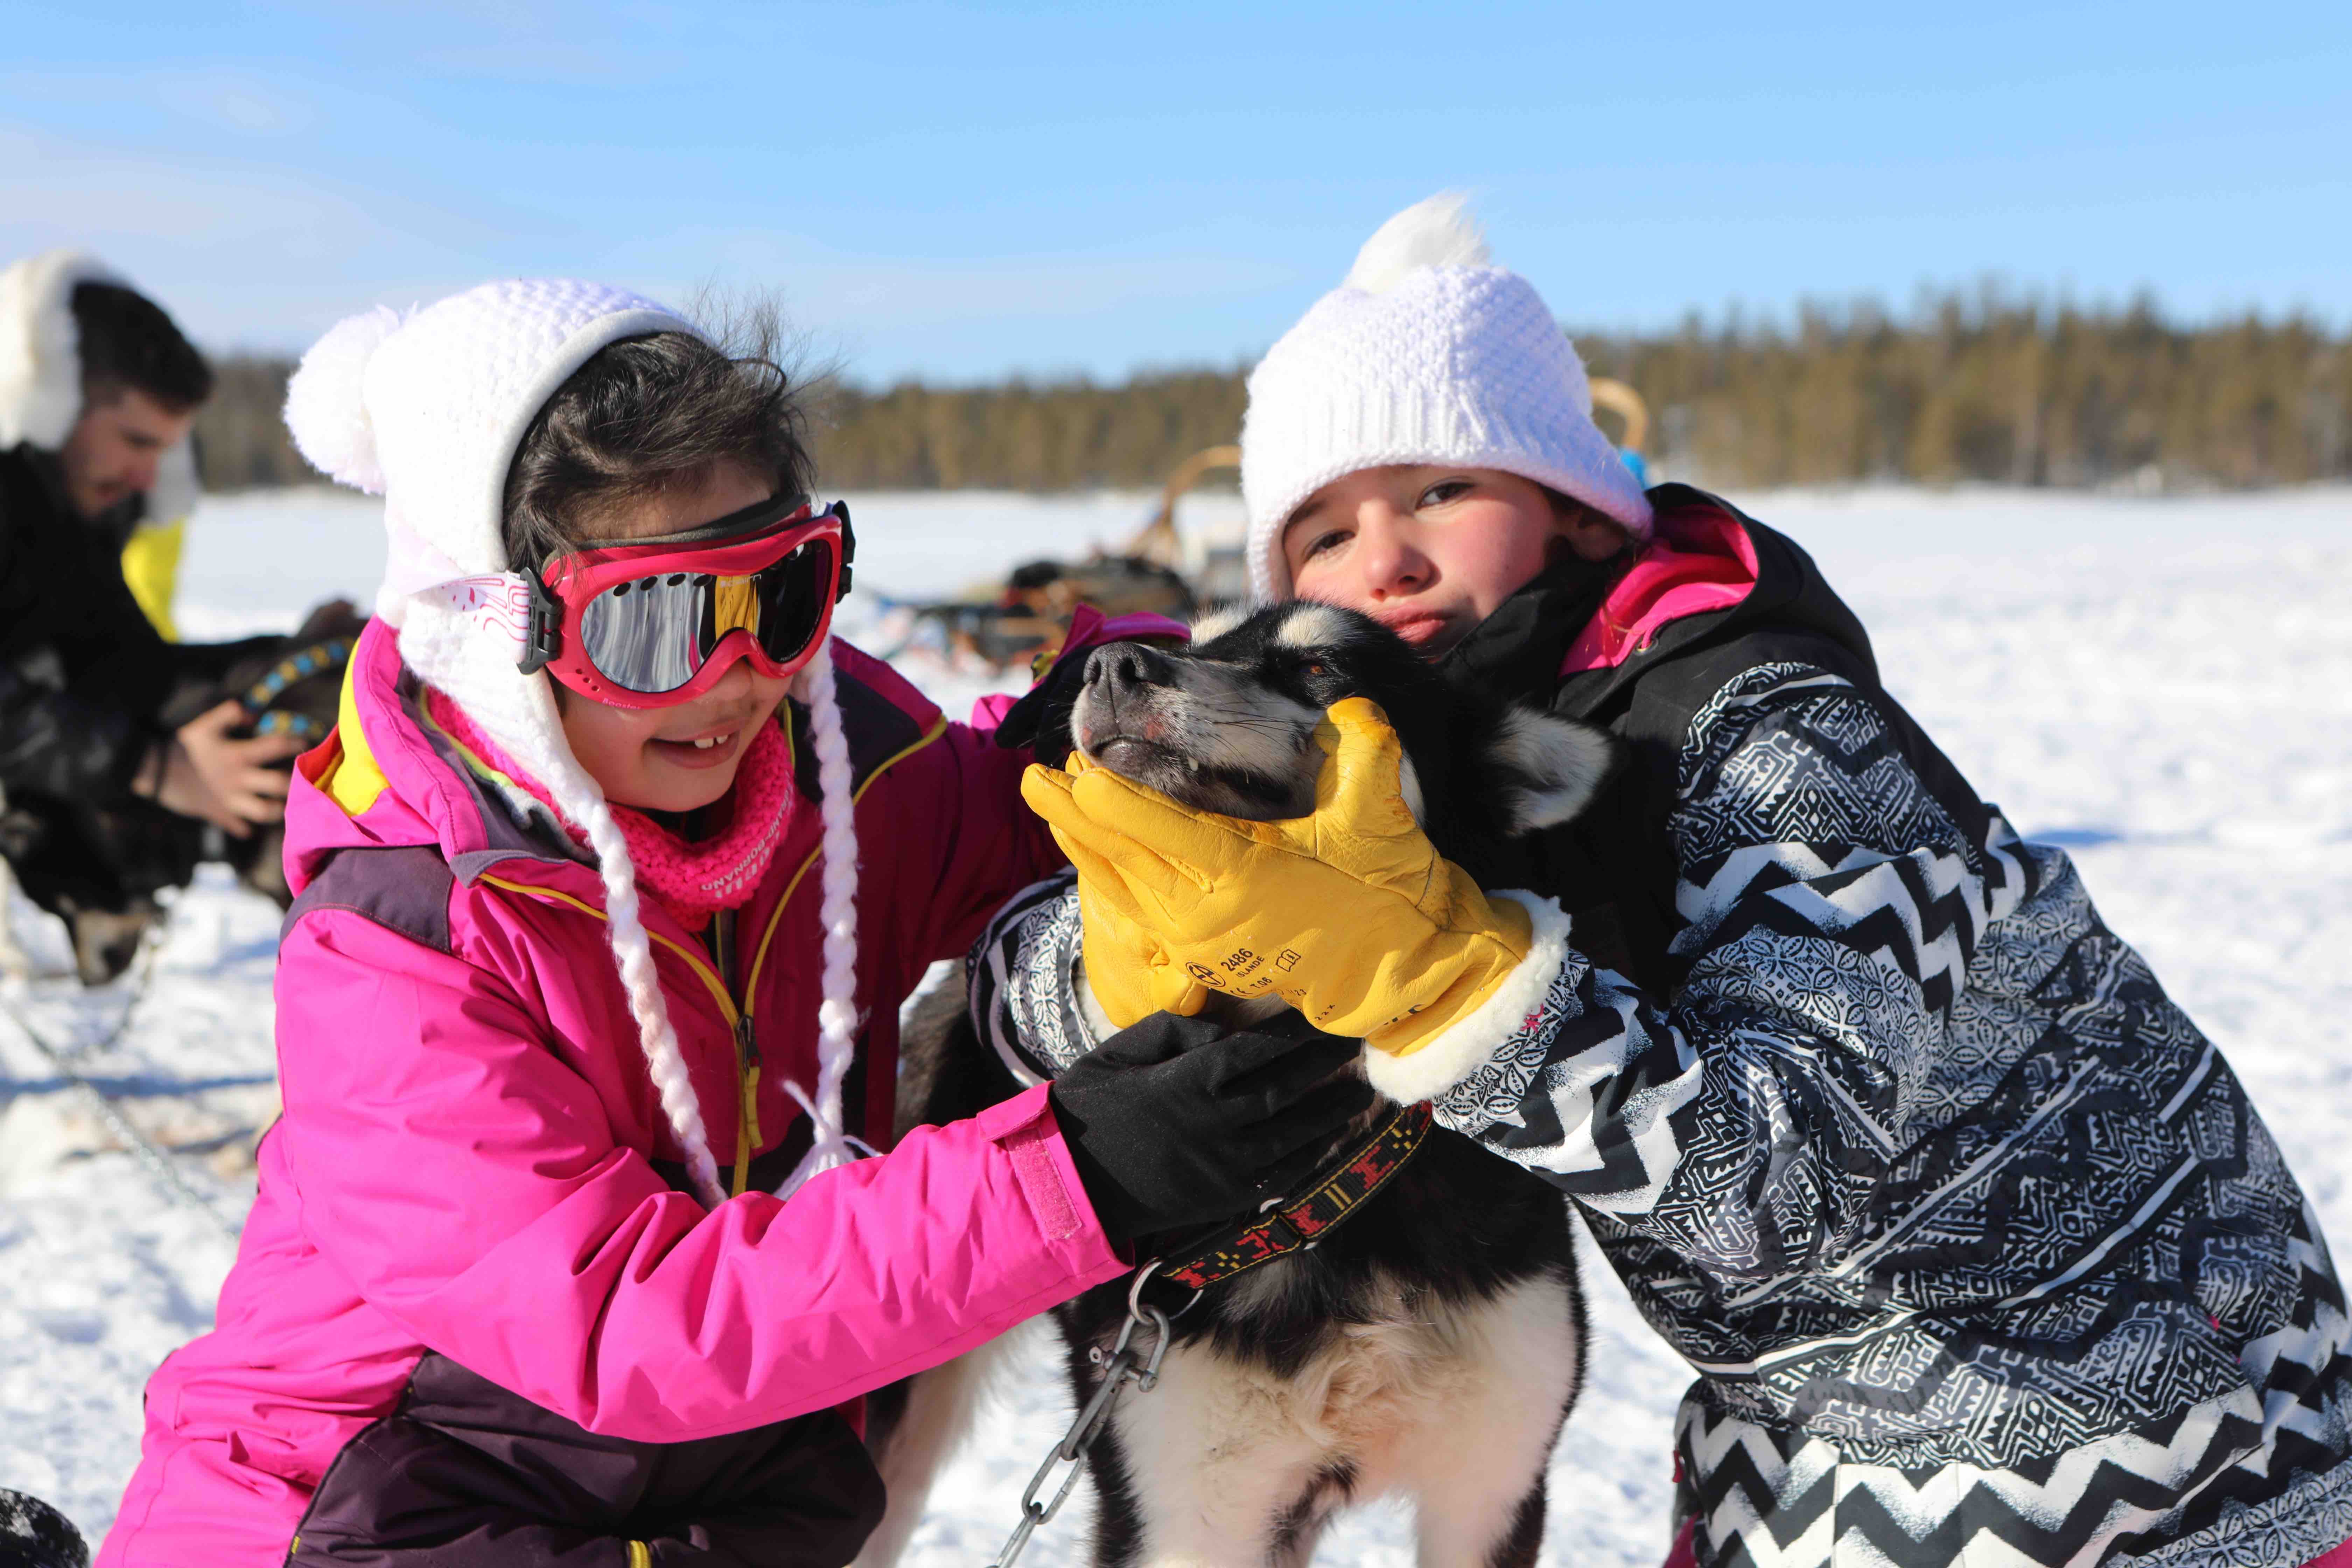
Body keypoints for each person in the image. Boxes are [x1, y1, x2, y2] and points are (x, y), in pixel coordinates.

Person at [980, 196, 2352, 1568]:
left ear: (1577, 516)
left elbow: (1774, 1195)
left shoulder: (1771, 738)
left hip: (2153, 1427)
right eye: (1324, 533)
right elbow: (1022, 979)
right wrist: (1121, 954)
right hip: (1817, 1434)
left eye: (1441, 492)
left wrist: (1451, 982)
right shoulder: (1434, 767)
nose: (1384, 559)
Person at [95, 279, 1362, 1567]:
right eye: (653, 624)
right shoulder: (400, 942)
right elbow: (621, 1321)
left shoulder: (837, 781)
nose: (737, 675)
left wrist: (1184, 693)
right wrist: (1076, 1173)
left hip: (707, 1512)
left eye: (782, 591)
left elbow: (1012, 806)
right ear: (498, 635)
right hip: (371, 1519)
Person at [0, 251, 308, 975]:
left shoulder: (80, 502)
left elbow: (115, 659)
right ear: (53, 404)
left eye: (164, 450)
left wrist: (289, 659)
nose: (148, 474)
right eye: (136, 440)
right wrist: (158, 765)